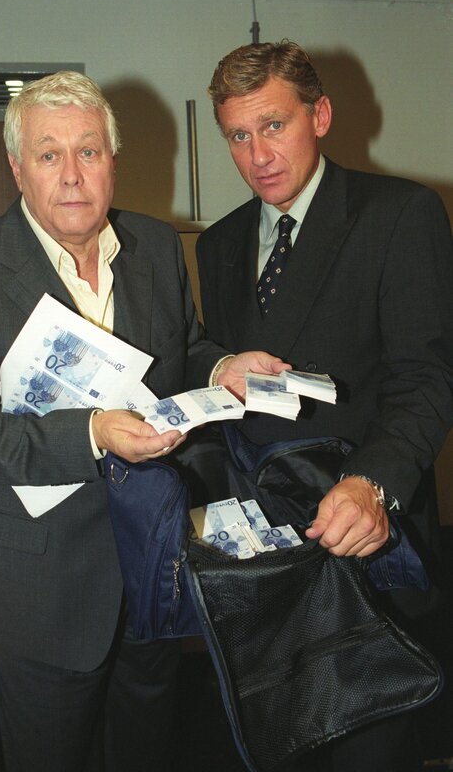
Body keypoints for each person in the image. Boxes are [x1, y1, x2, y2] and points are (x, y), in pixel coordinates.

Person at [0, 71, 289, 772]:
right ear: (17, 168)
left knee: (146, 748)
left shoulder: (154, 244)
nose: (71, 174)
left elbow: (183, 347)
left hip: (152, 560)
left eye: (88, 151)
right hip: (44, 589)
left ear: (112, 160)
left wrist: (220, 366)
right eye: (48, 154)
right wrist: (92, 433)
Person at [197, 41, 453, 771]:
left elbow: (425, 376)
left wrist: (373, 482)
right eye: (238, 136)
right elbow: (225, 382)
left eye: (273, 126)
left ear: (321, 116)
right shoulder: (218, 244)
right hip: (265, 565)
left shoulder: (399, 213)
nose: (257, 156)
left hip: (364, 537)